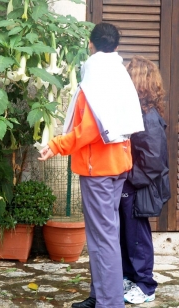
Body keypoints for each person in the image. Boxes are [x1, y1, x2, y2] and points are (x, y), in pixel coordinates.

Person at [38, 22, 144, 308]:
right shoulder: (120, 75)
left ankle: (108, 304)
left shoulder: (94, 79)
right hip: (118, 165)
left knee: (103, 238)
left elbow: (89, 131)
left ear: (90, 44)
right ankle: (100, 296)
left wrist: (56, 145)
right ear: (116, 47)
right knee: (105, 235)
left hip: (98, 169)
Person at [119, 56, 171, 304]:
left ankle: (146, 286)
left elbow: (153, 160)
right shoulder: (139, 113)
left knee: (137, 237)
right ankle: (129, 279)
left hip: (140, 187)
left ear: (138, 81)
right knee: (127, 235)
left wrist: (127, 178)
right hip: (133, 185)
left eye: (128, 75)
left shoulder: (148, 117)